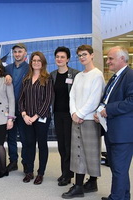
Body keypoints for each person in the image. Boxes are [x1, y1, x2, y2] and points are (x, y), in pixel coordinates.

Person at [62, 45, 105, 198]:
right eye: (79, 55)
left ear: (92, 55)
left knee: (90, 153)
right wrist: (74, 113)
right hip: (77, 119)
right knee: (77, 153)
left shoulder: (97, 75)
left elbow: (94, 99)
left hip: (89, 121)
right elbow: (72, 96)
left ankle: (92, 182)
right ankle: (79, 185)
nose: (82, 57)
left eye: (85, 54)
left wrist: (79, 113)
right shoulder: (79, 76)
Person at [96, 46, 133, 200]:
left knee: (119, 169)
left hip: (122, 133)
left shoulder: (130, 75)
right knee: (119, 169)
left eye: (111, 58)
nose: (108, 61)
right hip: (113, 130)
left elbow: (131, 101)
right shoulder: (115, 77)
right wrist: (100, 110)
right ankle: (122, 196)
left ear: (122, 59)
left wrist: (108, 110)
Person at [19, 51, 53, 185]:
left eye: (39, 60)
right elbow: (21, 100)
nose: (36, 63)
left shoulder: (48, 79)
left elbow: (48, 100)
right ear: (31, 62)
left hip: (41, 119)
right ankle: (29, 171)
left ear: (43, 62)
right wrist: (24, 114)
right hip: (27, 119)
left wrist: (35, 116)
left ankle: (41, 173)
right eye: (34, 60)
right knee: (29, 145)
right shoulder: (26, 79)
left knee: (42, 146)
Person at [51, 47, 80, 186]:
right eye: (57, 57)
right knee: (61, 145)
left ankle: (68, 175)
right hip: (57, 114)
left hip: (70, 115)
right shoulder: (52, 75)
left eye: (62, 57)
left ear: (68, 59)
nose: (59, 59)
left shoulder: (75, 74)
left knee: (69, 146)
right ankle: (64, 173)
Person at [5, 43, 29, 172]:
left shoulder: (30, 69)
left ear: (25, 53)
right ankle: (13, 161)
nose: (17, 54)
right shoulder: (7, 69)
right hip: (10, 109)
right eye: (15, 52)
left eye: (20, 51)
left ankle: (26, 162)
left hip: (24, 109)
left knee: (25, 138)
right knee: (11, 137)